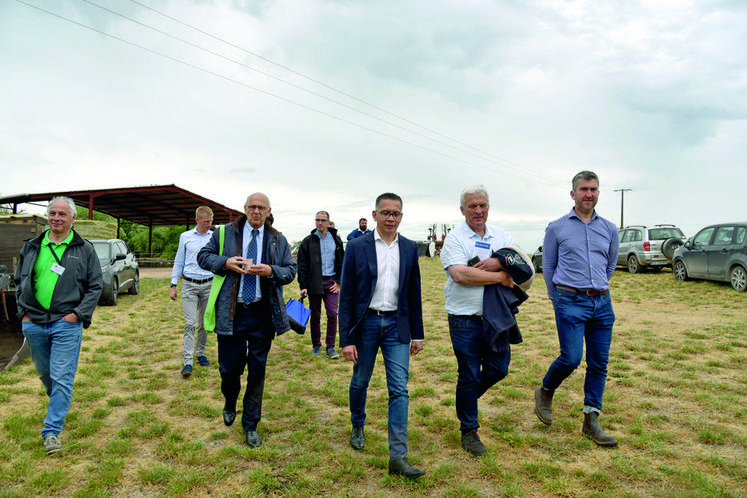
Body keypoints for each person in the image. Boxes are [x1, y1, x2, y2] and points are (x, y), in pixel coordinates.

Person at [197, 192, 297, 448]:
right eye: (252, 207)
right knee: (229, 370)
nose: (256, 211)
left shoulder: (277, 239)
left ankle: (251, 424)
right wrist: (225, 262)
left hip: (263, 314)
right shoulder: (223, 234)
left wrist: (271, 271)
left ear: (268, 211)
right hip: (232, 313)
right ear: (244, 208)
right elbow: (203, 257)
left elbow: (290, 270)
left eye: (261, 208)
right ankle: (230, 399)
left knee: (257, 371)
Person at [339, 193, 426, 480]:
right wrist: (346, 339)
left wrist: (418, 334)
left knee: (399, 389)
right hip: (365, 326)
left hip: (396, 326)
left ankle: (398, 457)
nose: (391, 218)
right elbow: (347, 295)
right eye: (385, 212)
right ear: (374, 215)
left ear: (401, 216)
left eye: (396, 213)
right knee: (360, 379)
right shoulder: (356, 246)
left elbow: (414, 293)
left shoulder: (411, 248)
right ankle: (357, 424)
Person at [534, 171, 619, 447]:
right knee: (571, 358)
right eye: (583, 189)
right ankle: (546, 390)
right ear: (573, 193)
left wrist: (597, 287)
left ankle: (591, 419)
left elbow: (610, 265)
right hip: (569, 301)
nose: (589, 194)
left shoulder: (608, 228)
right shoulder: (557, 227)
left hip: (602, 303)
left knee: (599, 363)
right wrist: (555, 298)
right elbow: (548, 266)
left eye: (593, 189)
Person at [15, 196, 103, 454]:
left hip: (66, 323)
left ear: (72, 218)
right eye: (52, 213)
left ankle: (51, 431)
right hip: (33, 322)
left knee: (62, 375)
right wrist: (23, 313)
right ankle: (59, 402)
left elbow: (95, 285)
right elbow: (20, 280)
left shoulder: (84, 248)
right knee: (46, 374)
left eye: (62, 214)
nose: (56, 218)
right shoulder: (32, 246)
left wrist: (77, 314)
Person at [439, 185, 517, 457]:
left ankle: (466, 400)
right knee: (469, 373)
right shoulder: (455, 239)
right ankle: (469, 430)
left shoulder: (501, 235)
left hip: (496, 317)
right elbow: (460, 274)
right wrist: (500, 275)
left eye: (482, 205)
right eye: (472, 206)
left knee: (499, 369)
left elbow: (521, 266)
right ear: (462, 210)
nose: (478, 210)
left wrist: (498, 262)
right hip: (464, 319)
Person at [170, 206, 215, 377]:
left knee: (204, 323)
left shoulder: (214, 237)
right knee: (190, 323)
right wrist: (173, 284)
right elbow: (179, 260)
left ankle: (201, 353)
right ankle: (187, 361)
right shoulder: (185, 237)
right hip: (189, 284)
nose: (209, 224)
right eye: (206, 222)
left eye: (211, 221)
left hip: (209, 284)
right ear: (197, 220)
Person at [297, 210, 344, 358]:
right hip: (315, 282)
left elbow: (342, 262)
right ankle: (316, 346)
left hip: (331, 282)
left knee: (332, 314)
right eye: (317, 220)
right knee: (315, 315)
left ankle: (330, 347)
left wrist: (338, 281)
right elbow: (302, 265)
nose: (320, 223)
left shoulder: (336, 240)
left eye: (323, 220)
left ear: (329, 222)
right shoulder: (307, 241)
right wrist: (303, 285)